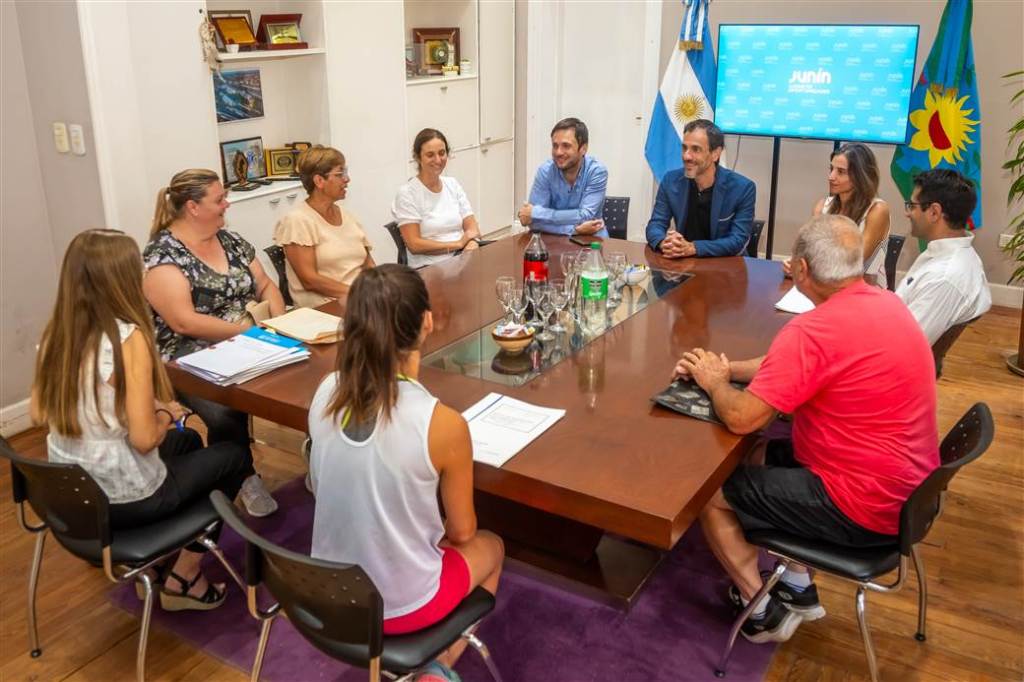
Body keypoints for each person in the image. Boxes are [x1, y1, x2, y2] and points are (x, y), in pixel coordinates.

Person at [674, 215, 938, 643]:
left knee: (707, 490)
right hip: (910, 493)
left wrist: (716, 384)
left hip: (863, 508)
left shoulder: (812, 331)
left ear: (801, 269)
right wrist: (724, 369)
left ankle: (761, 611)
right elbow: (788, 365)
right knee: (755, 454)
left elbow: (742, 417)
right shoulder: (886, 303)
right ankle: (797, 584)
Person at [32, 230, 250, 611]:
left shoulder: (57, 335)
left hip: (73, 493)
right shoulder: (126, 338)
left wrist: (137, 405)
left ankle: (159, 559)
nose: (145, 272)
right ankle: (185, 576)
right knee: (234, 457)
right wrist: (164, 412)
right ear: (122, 279)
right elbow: (145, 439)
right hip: (124, 494)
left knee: (187, 443)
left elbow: (39, 412)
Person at [309, 264, 504, 680]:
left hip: (327, 591)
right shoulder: (441, 423)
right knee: (492, 546)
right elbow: (463, 533)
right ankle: (436, 669)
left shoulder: (326, 391)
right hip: (401, 608)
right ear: (426, 322)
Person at [143, 169, 283, 517]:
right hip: (187, 356)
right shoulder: (163, 254)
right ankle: (243, 475)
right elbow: (183, 321)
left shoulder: (230, 240)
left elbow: (266, 285)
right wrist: (247, 333)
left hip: (251, 339)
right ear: (193, 207)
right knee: (225, 410)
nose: (227, 204)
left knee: (297, 377)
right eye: (219, 199)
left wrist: (277, 325)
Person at [897, 168, 991, 344]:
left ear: (934, 212)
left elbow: (905, 344)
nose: (907, 213)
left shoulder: (943, 278)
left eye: (912, 206)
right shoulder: (950, 255)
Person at [274, 146, 375, 307]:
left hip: (359, 300)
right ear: (319, 181)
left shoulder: (346, 216)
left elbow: (368, 264)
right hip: (326, 307)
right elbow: (310, 281)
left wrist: (379, 288)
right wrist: (358, 294)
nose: (347, 179)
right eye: (339, 174)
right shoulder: (297, 221)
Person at [645, 119, 756, 258]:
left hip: (725, 264)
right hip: (683, 261)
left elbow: (737, 240)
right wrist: (664, 243)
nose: (686, 156)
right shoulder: (671, 181)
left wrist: (693, 248)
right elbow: (655, 225)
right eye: (684, 148)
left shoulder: (742, 188)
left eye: (696, 149)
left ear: (715, 154)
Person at [784, 143, 890, 282]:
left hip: (865, 288)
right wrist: (795, 263)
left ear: (860, 176)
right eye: (831, 169)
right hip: (824, 285)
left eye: (841, 172)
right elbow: (809, 250)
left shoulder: (877, 210)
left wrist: (809, 264)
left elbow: (855, 260)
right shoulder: (822, 206)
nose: (831, 177)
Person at [393, 129, 482, 269]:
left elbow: (472, 227)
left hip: (463, 257)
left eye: (442, 153)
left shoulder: (452, 184)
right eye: (430, 155)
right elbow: (414, 245)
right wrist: (458, 244)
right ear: (418, 157)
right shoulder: (407, 193)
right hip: (430, 267)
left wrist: (472, 243)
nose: (438, 160)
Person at [518, 117, 608, 237]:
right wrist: (574, 230)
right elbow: (533, 222)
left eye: (566, 146)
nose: (558, 152)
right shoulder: (545, 171)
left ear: (583, 148)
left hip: (591, 239)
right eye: (555, 146)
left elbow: (586, 215)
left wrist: (536, 212)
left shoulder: (597, 172)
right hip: (552, 240)